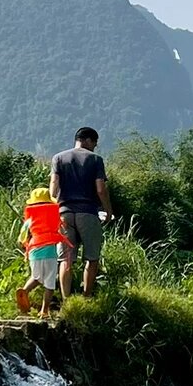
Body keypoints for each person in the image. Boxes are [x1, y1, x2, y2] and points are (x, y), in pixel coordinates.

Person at [50, 125, 114, 297]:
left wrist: (54, 210)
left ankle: (67, 300)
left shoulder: (58, 158)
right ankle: (86, 296)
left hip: (64, 213)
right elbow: (100, 189)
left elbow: (53, 188)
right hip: (88, 213)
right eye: (94, 143)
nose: (94, 147)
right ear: (88, 140)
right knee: (92, 258)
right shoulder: (95, 159)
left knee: (66, 259)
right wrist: (108, 210)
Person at [15, 184, 65, 315]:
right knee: (49, 282)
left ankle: (24, 291)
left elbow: (22, 238)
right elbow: (61, 229)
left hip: (34, 251)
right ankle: (44, 310)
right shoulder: (54, 216)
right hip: (50, 251)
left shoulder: (30, 219)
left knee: (36, 277)